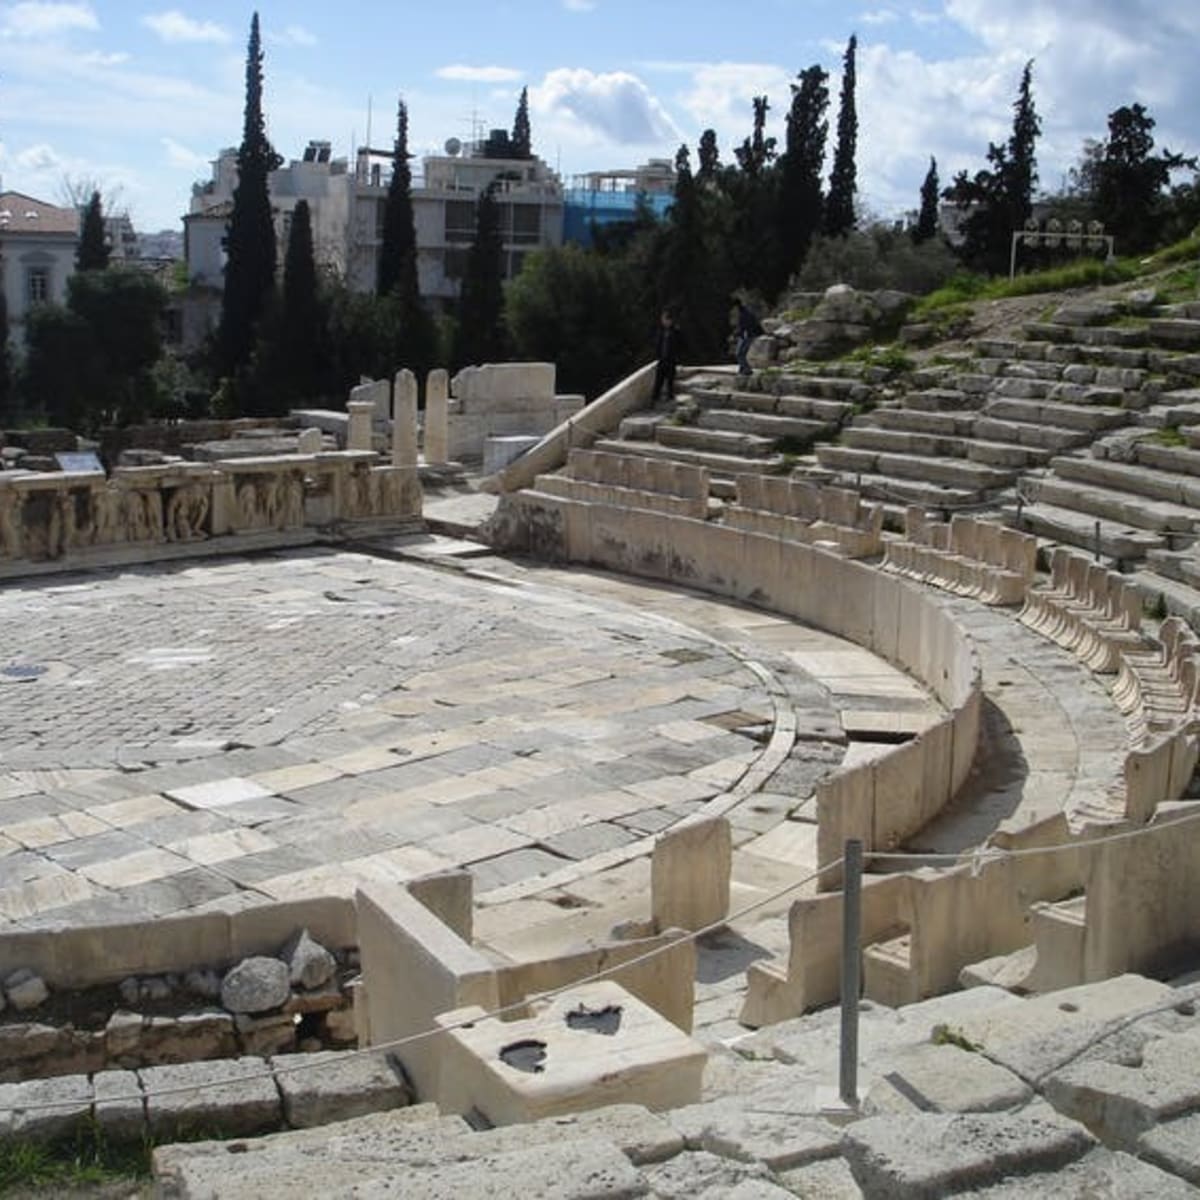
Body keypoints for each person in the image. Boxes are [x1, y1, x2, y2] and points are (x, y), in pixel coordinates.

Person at [652, 308, 682, 402]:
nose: (663, 321)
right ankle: (655, 398)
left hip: (671, 359)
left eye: (664, 319)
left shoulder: (675, 331)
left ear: (669, 320)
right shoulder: (661, 331)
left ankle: (670, 397)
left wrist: (677, 356)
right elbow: (658, 344)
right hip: (662, 358)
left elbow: (680, 344)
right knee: (659, 379)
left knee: (670, 379)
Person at [734, 298, 763, 376]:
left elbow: (743, 327)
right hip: (749, 335)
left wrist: (739, 335)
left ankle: (747, 369)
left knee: (739, 353)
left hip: (746, 335)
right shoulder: (747, 313)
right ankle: (742, 368)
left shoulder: (743, 314)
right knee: (742, 353)